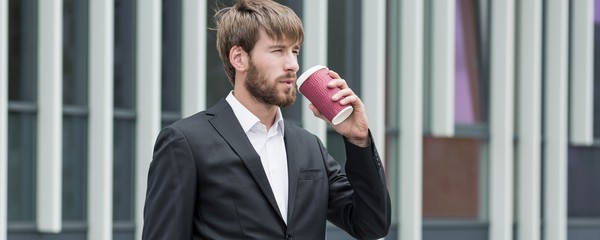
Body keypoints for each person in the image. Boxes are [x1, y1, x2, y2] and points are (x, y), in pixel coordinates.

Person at [142, 0, 391, 239]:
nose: (292, 64)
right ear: (239, 58)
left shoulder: (309, 146)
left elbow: (372, 225)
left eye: (294, 51)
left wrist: (358, 139)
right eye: (278, 50)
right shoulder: (185, 142)